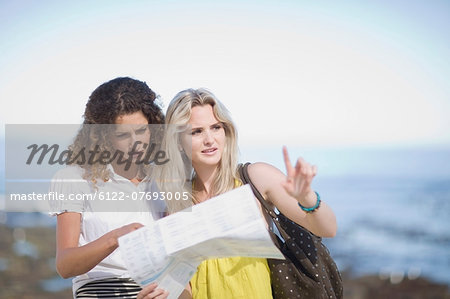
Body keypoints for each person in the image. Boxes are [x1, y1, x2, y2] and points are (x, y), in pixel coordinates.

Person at [148, 88, 338, 299]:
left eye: (216, 127)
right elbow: (185, 286)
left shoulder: (255, 177)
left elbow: (328, 228)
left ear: (226, 131)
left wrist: (307, 198)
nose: (210, 139)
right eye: (196, 131)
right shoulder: (177, 204)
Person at [49, 77, 169, 299]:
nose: (136, 142)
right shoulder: (74, 178)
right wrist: (116, 238)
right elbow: (65, 266)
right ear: (103, 136)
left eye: (142, 130)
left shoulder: (164, 180)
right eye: (123, 135)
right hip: (100, 291)